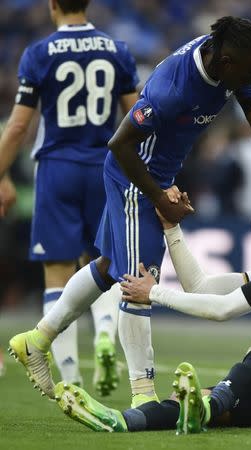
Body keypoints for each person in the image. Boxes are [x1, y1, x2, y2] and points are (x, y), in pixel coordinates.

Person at [9, 16, 251, 407]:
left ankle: (36, 340)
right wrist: (158, 196)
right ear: (226, 63)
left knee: (110, 267)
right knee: (139, 282)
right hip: (134, 178)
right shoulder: (173, 88)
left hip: (158, 177)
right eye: (249, 73)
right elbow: (120, 145)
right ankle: (143, 396)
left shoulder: (232, 62)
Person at [53, 182, 251, 432]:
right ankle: (122, 420)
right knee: (185, 398)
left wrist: (153, 292)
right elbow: (200, 287)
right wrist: (171, 226)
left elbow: (223, 310)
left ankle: (211, 406)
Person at [2, 0, 139, 395]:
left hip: (57, 169)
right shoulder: (117, 50)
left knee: (58, 275)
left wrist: (0, 174)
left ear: (52, 5)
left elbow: (17, 128)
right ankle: (105, 336)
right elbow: (136, 117)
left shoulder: (38, 53)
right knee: (104, 264)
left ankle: (70, 380)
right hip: (105, 167)